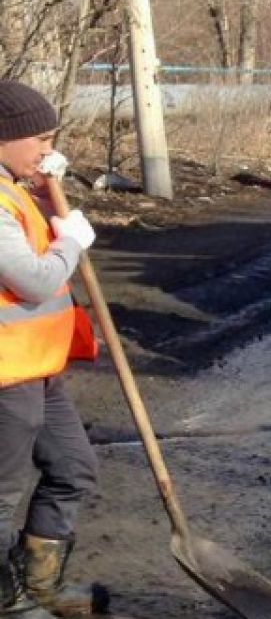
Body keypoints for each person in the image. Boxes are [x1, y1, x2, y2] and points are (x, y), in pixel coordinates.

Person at [0, 80, 103, 617]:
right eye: (39, 138)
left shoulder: (13, 190)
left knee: (72, 466)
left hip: (37, 367)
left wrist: (46, 203)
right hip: (5, 375)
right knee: (0, 494)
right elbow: (35, 281)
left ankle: (39, 587)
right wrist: (70, 241)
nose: (48, 149)